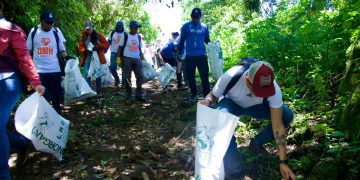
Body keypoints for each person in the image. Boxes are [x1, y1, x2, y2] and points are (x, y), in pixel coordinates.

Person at [199, 58, 296, 180]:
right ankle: (231, 154)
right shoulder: (232, 75)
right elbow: (213, 95)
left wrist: (283, 163)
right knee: (221, 121)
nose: (261, 94)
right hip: (231, 103)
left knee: (286, 115)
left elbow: (278, 126)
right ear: (247, 80)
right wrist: (207, 101)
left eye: (265, 91)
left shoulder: (274, 89)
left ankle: (257, 143)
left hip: (256, 108)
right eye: (258, 90)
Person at [0, 2, 46, 178]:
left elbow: (24, 58)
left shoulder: (12, 30)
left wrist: (35, 82)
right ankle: (20, 144)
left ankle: (3, 174)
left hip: (7, 84)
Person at [26, 11, 67, 114]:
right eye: (47, 22)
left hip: (55, 70)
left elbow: (62, 50)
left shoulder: (56, 31)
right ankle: (44, 118)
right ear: (41, 21)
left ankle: (57, 116)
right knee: (43, 97)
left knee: (56, 97)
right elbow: (27, 50)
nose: (49, 25)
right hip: (39, 71)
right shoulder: (34, 31)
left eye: (51, 22)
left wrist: (67, 59)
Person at [178, 7, 210, 103]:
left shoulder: (204, 26)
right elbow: (182, 39)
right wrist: (180, 51)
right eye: (194, 17)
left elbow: (206, 40)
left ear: (200, 17)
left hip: (202, 56)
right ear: (191, 17)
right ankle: (194, 94)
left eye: (197, 17)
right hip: (190, 56)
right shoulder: (186, 26)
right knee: (190, 76)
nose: (196, 19)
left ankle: (206, 96)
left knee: (204, 77)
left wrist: (213, 45)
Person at [78, 20, 110, 97]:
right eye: (86, 28)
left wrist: (98, 46)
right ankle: (89, 92)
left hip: (97, 57)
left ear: (92, 27)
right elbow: (80, 47)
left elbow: (106, 45)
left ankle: (99, 92)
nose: (88, 30)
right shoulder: (84, 36)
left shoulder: (99, 35)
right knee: (86, 74)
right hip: (87, 57)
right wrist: (85, 50)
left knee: (98, 74)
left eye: (89, 28)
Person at [116, 21, 146, 102]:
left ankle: (138, 94)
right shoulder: (125, 36)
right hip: (127, 58)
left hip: (137, 58)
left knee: (140, 76)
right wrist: (118, 58)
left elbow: (139, 49)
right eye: (135, 27)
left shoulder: (138, 37)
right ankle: (129, 95)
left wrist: (142, 59)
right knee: (127, 78)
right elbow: (120, 48)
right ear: (131, 27)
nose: (137, 29)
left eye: (137, 28)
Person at [107, 21, 124, 88]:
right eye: (118, 27)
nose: (119, 28)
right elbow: (108, 42)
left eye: (121, 27)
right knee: (112, 68)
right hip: (113, 53)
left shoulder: (124, 34)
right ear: (116, 27)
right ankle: (117, 79)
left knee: (123, 68)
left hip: (122, 54)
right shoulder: (112, 33)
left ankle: (124, 84)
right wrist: (104, 51)